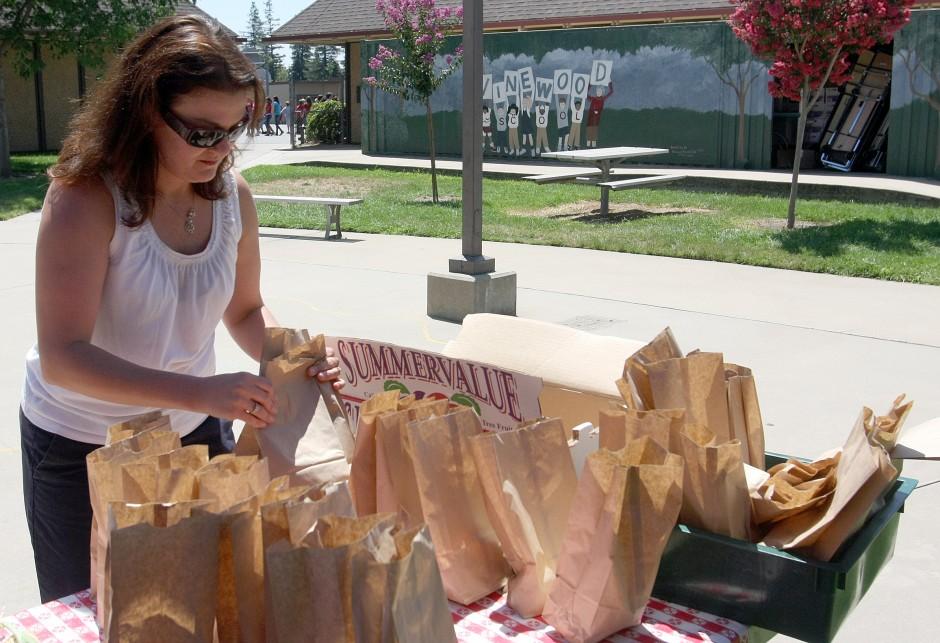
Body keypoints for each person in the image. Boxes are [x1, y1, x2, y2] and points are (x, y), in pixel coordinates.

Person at [20, 14, 345, 603]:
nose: (221, 151)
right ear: (146, 112)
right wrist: (200, 392)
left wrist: (293, 354)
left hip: (193, 431)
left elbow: (245, 311)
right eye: (201, 133)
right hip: (81, 446)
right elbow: (62, 357)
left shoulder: (231, 196)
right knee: (96, 611)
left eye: (236, 128)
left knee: (202, 600)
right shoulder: (86, 195)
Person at [586, 82, 614, 148]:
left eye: (600, 91)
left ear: (602, 92)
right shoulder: (593, 99)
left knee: (594, 129)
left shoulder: (602, 99)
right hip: (590, 117)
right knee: (589, 128)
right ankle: (588, 142)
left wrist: (610, 83)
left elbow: (611, 92)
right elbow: (585, 94)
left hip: (596, 118)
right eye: (597, 91)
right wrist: (590, 84)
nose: (598, 92)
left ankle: (593, 143)